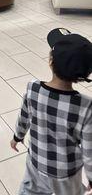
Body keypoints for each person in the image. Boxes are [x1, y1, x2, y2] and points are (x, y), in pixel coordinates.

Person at [11, 28, 92, 195]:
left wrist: (17, 137)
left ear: (50, 61)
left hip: (36, 162)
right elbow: (89, 149)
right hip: (66, 173)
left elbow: (24, 118)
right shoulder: (85, 106)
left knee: (29, 191)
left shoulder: (33, 88)